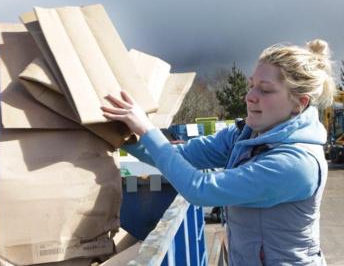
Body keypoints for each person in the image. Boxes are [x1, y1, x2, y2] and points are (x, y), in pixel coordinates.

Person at [101, 39, 336, 265]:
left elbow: (201, 189)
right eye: (251, 85)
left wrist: (146, 129)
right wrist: (124, 138)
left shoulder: (296, 164)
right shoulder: (248, 134)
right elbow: (185, 154)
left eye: (265, 90)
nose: (250, 97)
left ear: (299, 103)